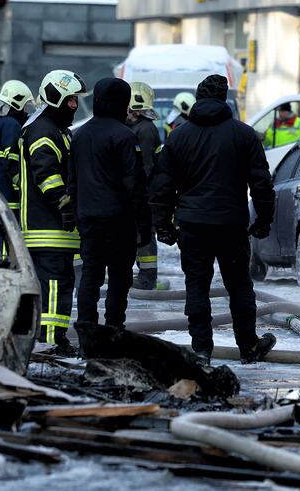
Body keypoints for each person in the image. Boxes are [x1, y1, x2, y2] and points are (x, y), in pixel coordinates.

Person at [151, 74, 277, 364]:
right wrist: (263, 221)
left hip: (192, 225)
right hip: (231, 224)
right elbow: (261, 183)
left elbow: (162, 186)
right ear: (224, 99)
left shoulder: (179, 136)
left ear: (198, 98)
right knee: (239, 286)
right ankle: (248, 347)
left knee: (196, 285)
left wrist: (164, 225)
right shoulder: (244, 135)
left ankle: (201, 350)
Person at [70, 78, 149, 353]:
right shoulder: (125, 136)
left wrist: (75, 216)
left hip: (88, 218)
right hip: (119, 220)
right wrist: (144, 225)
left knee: (90, 276)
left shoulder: (79, 135)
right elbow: (134, 185)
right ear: (122, 103)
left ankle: (87, 336)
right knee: (118, 277)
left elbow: (73, 180)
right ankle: (114, 332)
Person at [19, 70, 87, 356]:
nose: (74, 106)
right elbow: (45, 174)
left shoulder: (56, 130)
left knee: (57, 286)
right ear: (56, 98)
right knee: (55, 287)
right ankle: (49, 341)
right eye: (70, 100)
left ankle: (51, 337)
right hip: (47, 229)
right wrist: (64, 203)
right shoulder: (43, 131)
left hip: (55, 229)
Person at [126, 81, 167, 291]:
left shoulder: (145, 130)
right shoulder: (132, 127)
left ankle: (147, 276)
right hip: (134, 194)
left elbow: (148, 166)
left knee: (144, 237)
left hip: (143, 195)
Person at [0, 80, 34, 213]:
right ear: (16, 103)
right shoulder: (11, 125)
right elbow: (12, 162)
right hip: (10, 199)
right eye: (24, 107)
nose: (25, 111)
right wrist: (24, 187)